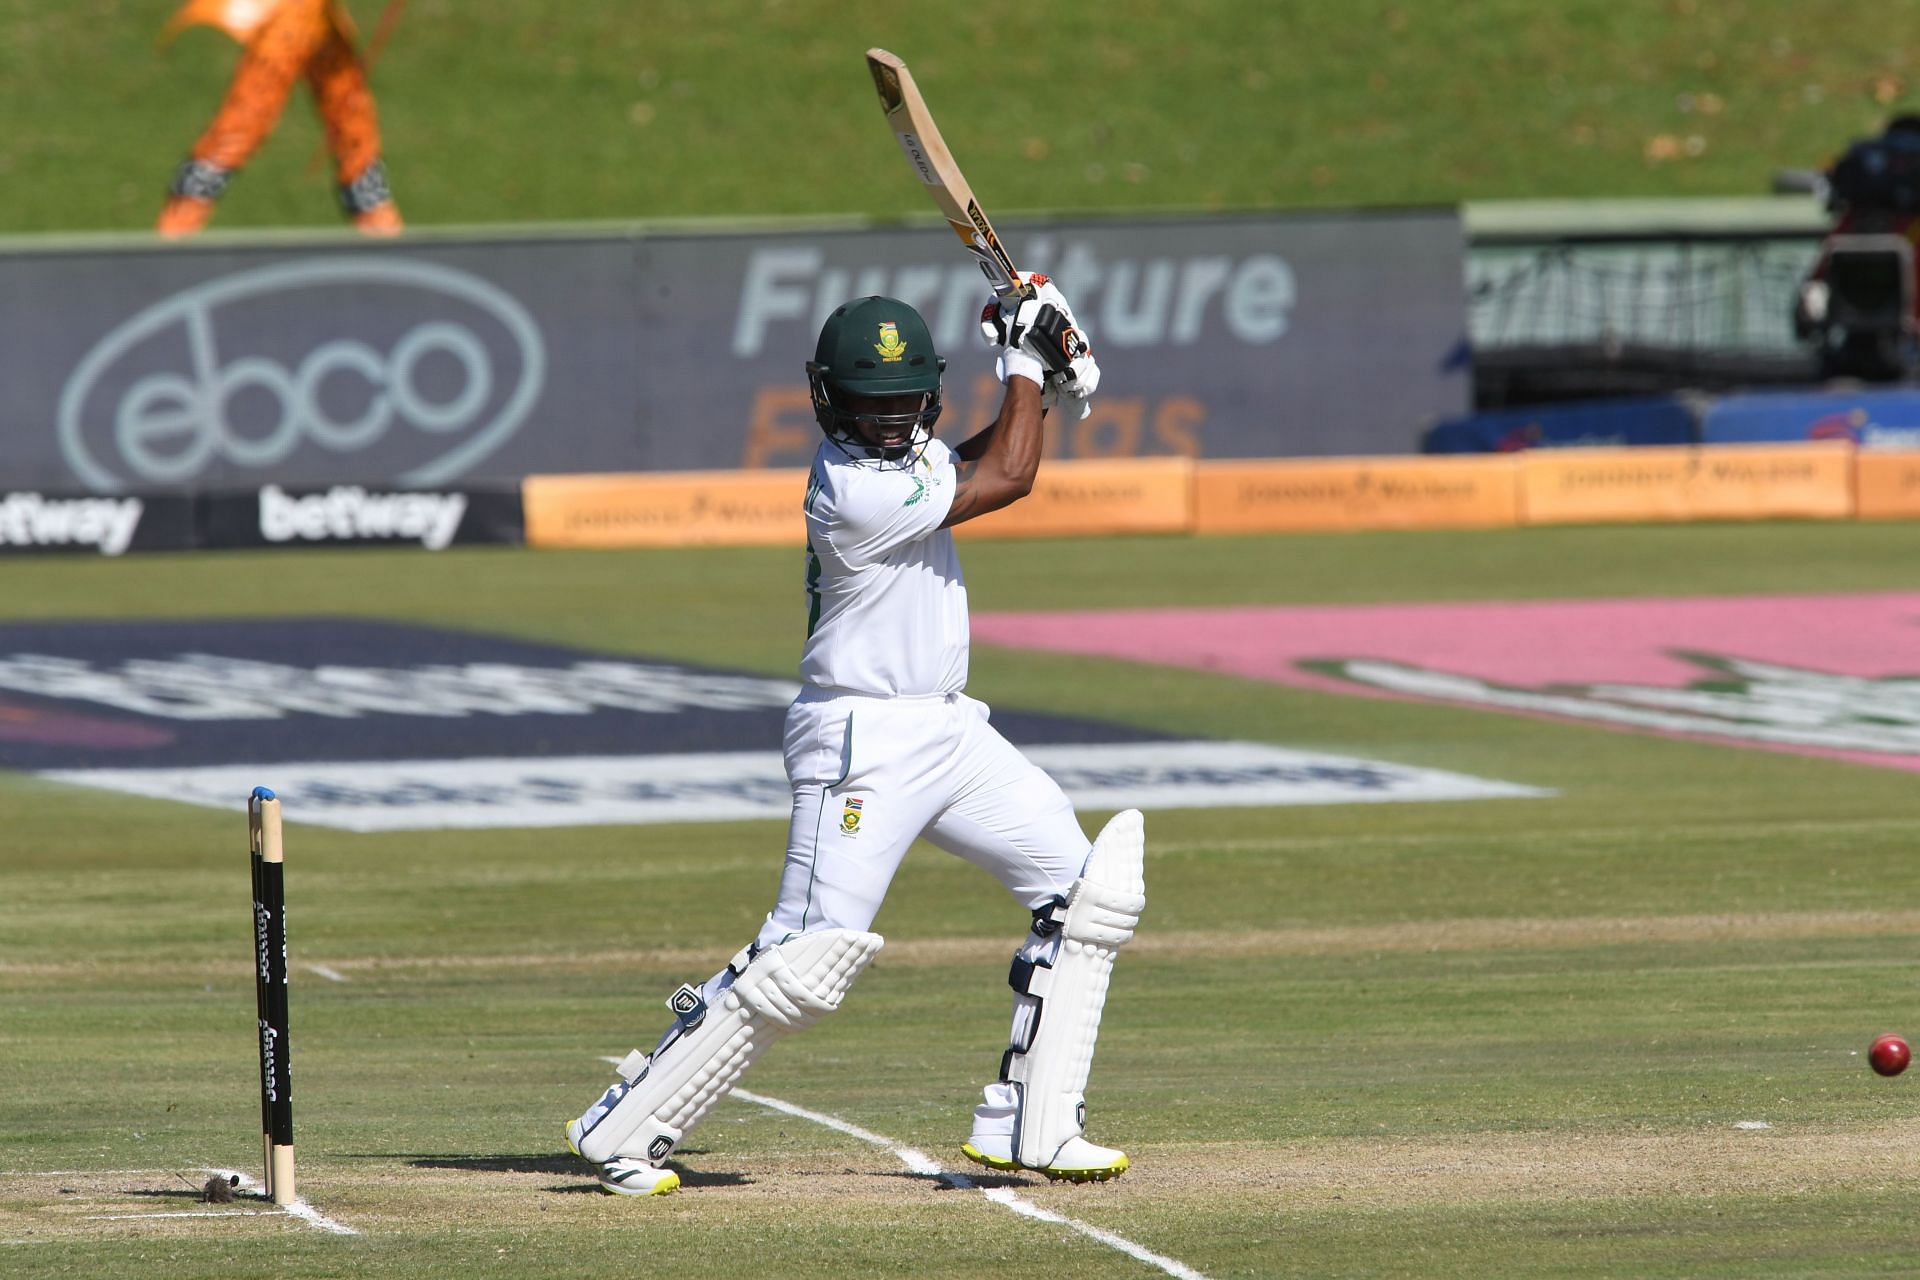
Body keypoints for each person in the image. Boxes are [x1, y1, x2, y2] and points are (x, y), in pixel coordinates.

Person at [564, 280, 1146, 1198]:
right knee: (807, 959)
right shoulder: (851, 489)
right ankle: (624, 1127)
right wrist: (1027, 363)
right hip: (861, 740)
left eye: (902, 405)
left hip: (952, 731)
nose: (886, 423)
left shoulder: (903, 472)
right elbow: (1009, 475)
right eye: (870, 407)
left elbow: (978, 464)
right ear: (828, 398)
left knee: (1087, 896)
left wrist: (1037, 372)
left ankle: (1033, 1125)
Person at [155, 0, 402, 238]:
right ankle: (179, 224)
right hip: (286, 19)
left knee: (347, 107)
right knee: (249, 114)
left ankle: (375, 215)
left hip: (307, 18)